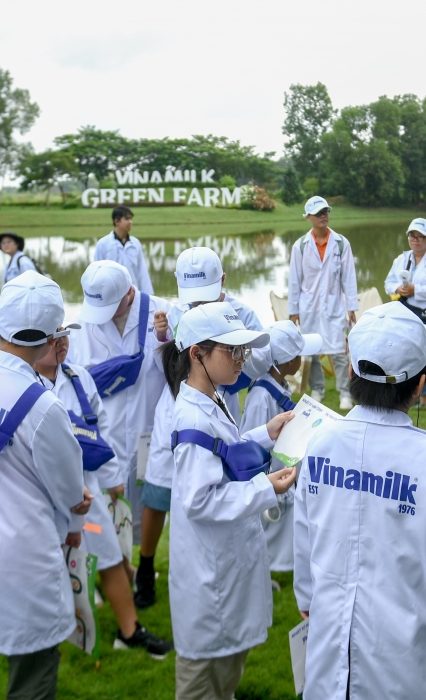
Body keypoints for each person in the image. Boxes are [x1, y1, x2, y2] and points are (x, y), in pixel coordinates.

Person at [294, 301, 426, 699]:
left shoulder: (320, 443)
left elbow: (304, 539)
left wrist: (307, 595)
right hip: (406, 668)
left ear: (351, 372)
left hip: (331, 659)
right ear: (420, 385)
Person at [0, 271, 90, 700]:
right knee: (31, 679)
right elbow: (70, 489)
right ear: (54, 339)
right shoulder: (44, 404)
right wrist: (77, 503)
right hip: (23, 559)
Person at [161, 302, 296, 700]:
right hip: (209, 583)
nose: (241, 360)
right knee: (204, 684)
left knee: (226, 679)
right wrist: (266, 488)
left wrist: (265, 434)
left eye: (244, 351)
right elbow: (200, 500)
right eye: (232, 350)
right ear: (196, 353)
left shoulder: (211, 399)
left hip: (224, 568)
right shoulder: (191, 416)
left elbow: (224, 450)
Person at [135, 247, 271, 608]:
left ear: (223, 281)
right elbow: (167, 361)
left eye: (206, 297)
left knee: (221, 487)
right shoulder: (176, 311)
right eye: (193, 298)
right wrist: (163, 336)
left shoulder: (242, 314)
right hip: (178, 411)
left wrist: (235, 352)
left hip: (218, 405)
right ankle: (146, 569)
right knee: (160, 491)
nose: (197, 305)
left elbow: (261, 363)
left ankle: (241, 570)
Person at [33, 325, 174, 658]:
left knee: (108, 552)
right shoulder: (21, 383)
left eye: (64, 336)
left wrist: (112, 479)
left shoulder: (78, 376)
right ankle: (44, 642)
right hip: (38, 496)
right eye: (53, 338)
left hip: (87, 494)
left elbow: (100, 431)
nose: (62, 343)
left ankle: (129, 630)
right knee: (44, 570)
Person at [67, 260, 171, 582]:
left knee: (145, 506)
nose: (106, 316)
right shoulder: (81, 324)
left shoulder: (163, 314)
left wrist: (166, 340)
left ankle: (142, 566)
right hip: (103, 440)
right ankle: (112, 566)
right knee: (100, 509)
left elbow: (184, 373)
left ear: (129, 293)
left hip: (148, 434)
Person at [240, 320, 321, 573]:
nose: (301, 360)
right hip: (267, 480)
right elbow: (252, 446)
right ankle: (260, 570)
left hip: (279, 475)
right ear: (287, 362)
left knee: (281, 529)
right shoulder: (262, 396)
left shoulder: (276, 387)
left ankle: (271, 568)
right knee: (264, 529)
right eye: (298, 355)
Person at [288, 195, 358, 409]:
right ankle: (317, 389)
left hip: (334, 305)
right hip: (308, 307)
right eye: (318, 213)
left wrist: (352, 307)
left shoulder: (340, 243)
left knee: (338, 350)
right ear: (308, 217)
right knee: (311, 352)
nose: (324, 216)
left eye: (326, 212)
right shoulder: (300, 246)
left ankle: (345, 392)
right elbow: (294, 280)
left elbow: (349, 277)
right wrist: (293, 310)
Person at [384, 218, 426, 404]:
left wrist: (416, 290)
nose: (415, 240)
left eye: (420, 237)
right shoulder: (402, 259)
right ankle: (420, 395)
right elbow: (388, 283)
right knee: (411, 353)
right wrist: (399, 289)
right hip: (408, 313)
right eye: (412, 236)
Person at [94, 205, 154, 294]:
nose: (130, 222)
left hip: (133, 293)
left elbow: (142, 271)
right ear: (117, 221)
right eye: (127, 219)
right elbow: (97, 273)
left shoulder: (135, 243)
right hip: (111, 294)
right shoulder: (103, 244)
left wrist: (148, 296)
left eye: (130, 219)